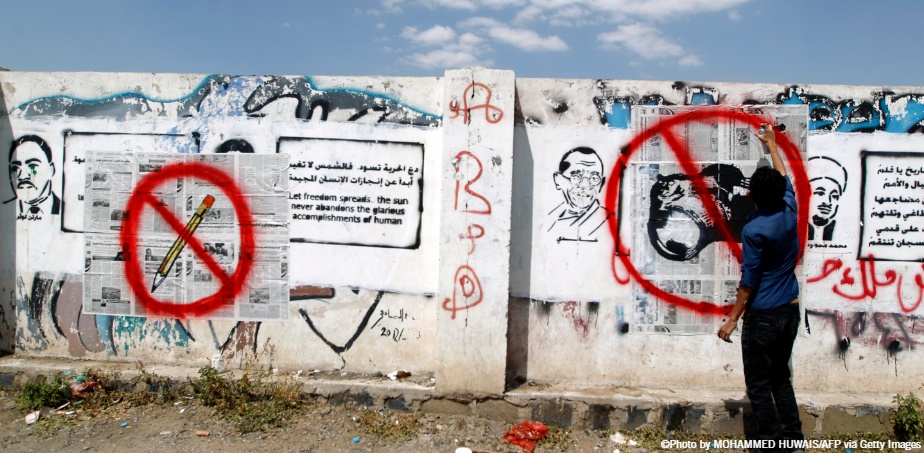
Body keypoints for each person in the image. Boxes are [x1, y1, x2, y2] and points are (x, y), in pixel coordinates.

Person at [717, 124, 802, 449]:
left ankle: (769, 443)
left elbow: (749, 280)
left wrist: (733, 319)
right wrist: (773, 146)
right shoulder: (789, 209)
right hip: (790, 310)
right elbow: (783, 177)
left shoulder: (754, 229)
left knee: (758, 385)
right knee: (780, 378)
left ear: (752, 197)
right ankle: (793, 440)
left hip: (764, 314)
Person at [547, 147, 613, 243]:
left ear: (601, 184)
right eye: (576, 177)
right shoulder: (550, 218)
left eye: (594, 178)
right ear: (558, 180)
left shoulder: (607, 221)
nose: (585, 185)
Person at [5, 135, 60, 217]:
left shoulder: (67, 209)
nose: (23, 176)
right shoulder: (4, 209)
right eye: (15, 168)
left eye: (32, 166)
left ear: (51, 170)